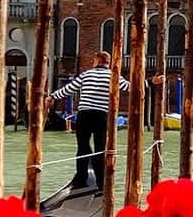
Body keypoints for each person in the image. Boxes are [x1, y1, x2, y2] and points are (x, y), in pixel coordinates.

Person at [47, 51, 158, 191]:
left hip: (84, 114)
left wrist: (51, 96)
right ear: (108, 62)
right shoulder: (114, 76)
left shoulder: (85, 75)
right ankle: (101, 183)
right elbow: (132, 87)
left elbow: (68, 89)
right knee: (100, 149)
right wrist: (150, 82)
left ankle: (81, 180)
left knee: (82, 147)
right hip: (101, 116)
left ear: (96, 61)